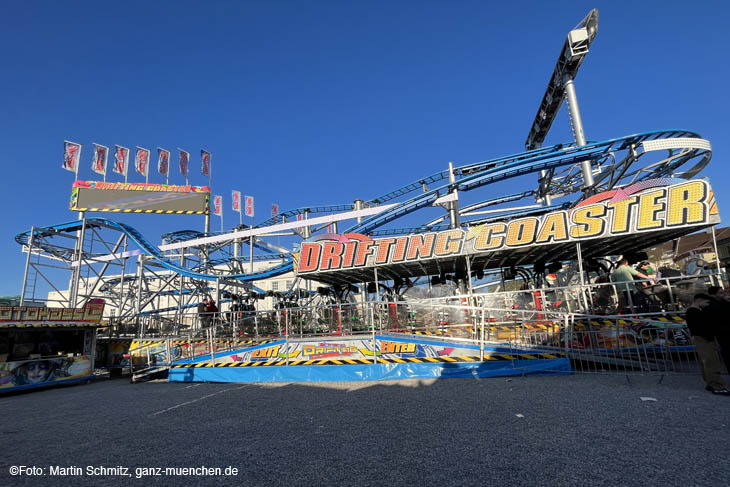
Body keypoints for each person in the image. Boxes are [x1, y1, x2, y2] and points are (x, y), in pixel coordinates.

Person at [685, 293, 730, 395]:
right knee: (711, 362)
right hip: (704, 339)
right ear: (700, 301)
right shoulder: (694, 312)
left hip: (700, 338)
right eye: (706, 302)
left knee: (706, 362)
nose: (707, 305)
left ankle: (710, 383)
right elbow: (702, 327)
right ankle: (717, 386)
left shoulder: (692, 311)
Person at [707, 286, 730, 375]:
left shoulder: (722, 302)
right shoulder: (713, 305)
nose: (723, 294)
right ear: (714, 295)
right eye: (720, 293)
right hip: (724, 334)